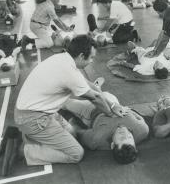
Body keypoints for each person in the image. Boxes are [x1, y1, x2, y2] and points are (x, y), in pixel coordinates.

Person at [13, 35, 130, 166]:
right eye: (91, 57)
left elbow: (90, 85)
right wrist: (110, 114)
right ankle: (26, 151)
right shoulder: (69, 72)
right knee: (76, 153)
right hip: (33, 119)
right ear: (81, 56)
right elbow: (95, 98)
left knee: (73, 134)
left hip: (37, 112)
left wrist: (113, 105)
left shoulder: (64, 59)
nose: (92, 61)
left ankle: (33, 136)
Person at [62, 91, 149, 164]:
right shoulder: (142, 130)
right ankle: (97, 90)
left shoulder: (96, 139)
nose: (125, 131)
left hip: (92, 109)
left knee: (64, 103)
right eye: (130, 136)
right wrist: (129, 111)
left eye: (122, 136)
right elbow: (139, 117)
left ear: (112, 144)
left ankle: (94, 92)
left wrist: (71, 121)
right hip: (113, 103)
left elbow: (77, 132)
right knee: (105, 94)